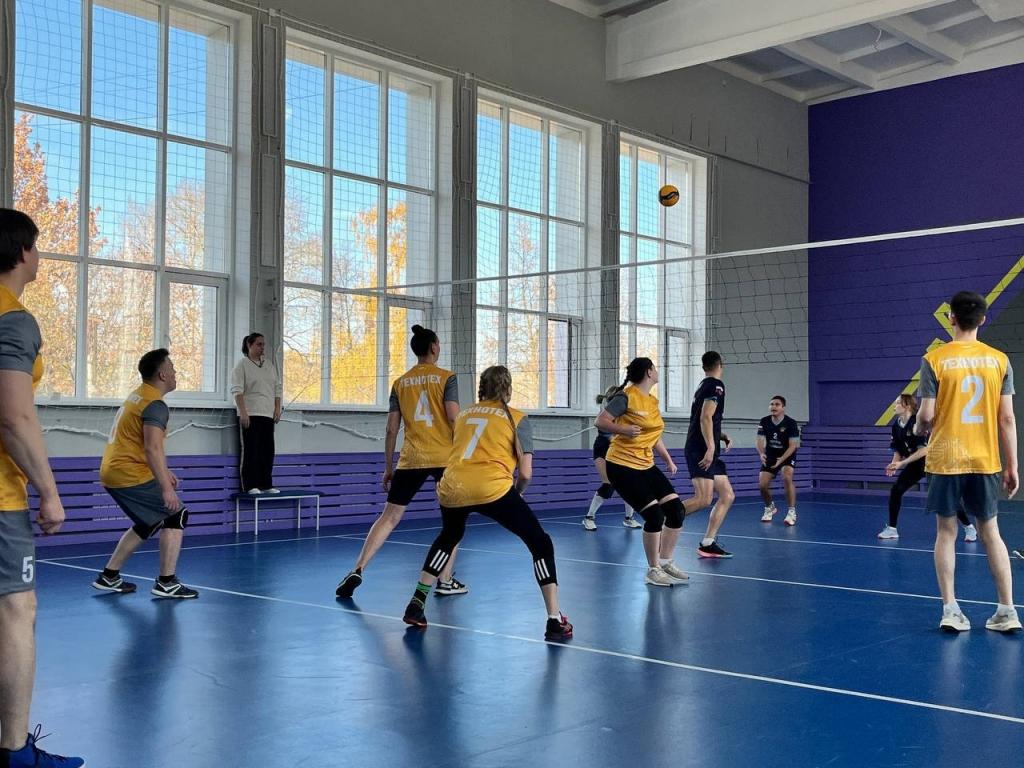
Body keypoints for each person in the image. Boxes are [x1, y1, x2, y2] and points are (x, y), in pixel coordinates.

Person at [0, 209, 84, 768]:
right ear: (24, 252)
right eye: (37, 246)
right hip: (1, 498)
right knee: (16, 609)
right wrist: (49, 492)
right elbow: (13, 417)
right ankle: (14, 753)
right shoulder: (14, 319)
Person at [401, 366, 572, 641]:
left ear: (481, 388)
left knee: (450, 535)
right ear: (508, 389)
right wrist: (517, 493)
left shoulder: (464, 414)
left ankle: (417, 602)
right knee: (539, 542)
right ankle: (554, 619)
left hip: (452, 486)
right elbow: (526, 473)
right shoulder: (516, 417)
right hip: (492, 488)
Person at [915, 291, 1020, 633]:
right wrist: (1012, 465)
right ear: (983, 319)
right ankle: (1007, 611)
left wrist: (918, 427)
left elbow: (926, 415)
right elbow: (1007, 418)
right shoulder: (999, 360)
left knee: (946, 532)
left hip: (946, 458)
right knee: (991, 532)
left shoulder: (934, 359)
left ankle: (951, 610)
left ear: (951, 318)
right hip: (984, 458)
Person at [336, 325, 465, 599]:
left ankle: (358, 568)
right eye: (439, 344)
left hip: (411, 458)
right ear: (433, 347)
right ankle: (444, 580)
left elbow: (391, 429)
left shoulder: (400, 383)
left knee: (389, 517)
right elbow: (454, 417)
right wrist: (465, 453)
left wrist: (388, 467)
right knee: (453, 522)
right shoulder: (447, 377)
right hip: (445, 458)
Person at [91, 349, 199, 599]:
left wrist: (164, 471)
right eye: (172, 368)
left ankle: (109, 576)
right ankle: (167, 582)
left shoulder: (139, 396)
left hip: (116, 470)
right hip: (127, 472)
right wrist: (166, 488)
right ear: (162, 374)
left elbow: (141, 444)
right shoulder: (155, 405)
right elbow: (152, 447)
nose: (175, 373)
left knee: (149, 521)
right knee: (176, 514)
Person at [597, 358, 688, 587]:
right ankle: (653, 569)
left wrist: (667, 459)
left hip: (646, 464)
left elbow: (653, 435)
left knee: (676, 511)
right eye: (655, 369)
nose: (657, 372)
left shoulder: (652, 401)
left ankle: (665, 561)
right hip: (621, 465)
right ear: (649, 372)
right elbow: (601, 421)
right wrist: (623, 429)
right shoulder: (626, 397)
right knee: (654, 516)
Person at [878, 394, 975, 541]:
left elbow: (924, 450)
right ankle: (892, 529)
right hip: (915, 464)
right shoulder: (896, 426)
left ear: (907, 406)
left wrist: (902, 463)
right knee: (896, 490)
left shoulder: (917, 423)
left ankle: (969, 527)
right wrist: (894, 464)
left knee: (947, 496)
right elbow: (898, 449)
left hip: (933, 462)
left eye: (897, 403)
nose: (894, 406)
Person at [682, 351, 736, 558]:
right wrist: (711, 448)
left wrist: (720, 435)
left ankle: (708, 542)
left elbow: (705, 420)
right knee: (703, 499)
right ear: (720, 364)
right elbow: (705, 417)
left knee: (727, 495)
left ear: (703, 366)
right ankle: (661, 518)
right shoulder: (716, 385)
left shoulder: (703, 385)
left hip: (705, 446)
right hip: (701, 449)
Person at [582, 385, 639, 531]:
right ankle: (589, 518)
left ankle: (629, 518)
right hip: (602, 449)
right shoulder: (606, 412)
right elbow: (606, 431)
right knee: (608, 484)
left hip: (619, 449)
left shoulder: (624, 413)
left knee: (628, 485)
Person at [231, 332, 282, 495]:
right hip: (250, 413)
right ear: (249, 345)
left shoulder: (269, 366)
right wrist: (243, 412)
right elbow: (237, 391)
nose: (262, 347)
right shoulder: (242, 365)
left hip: (267, 413)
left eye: (263, 344)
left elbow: (277, 388)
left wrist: (277, 408)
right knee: (251, 450)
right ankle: (249, 485)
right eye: (259, 344)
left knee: (267, 450)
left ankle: (266, 484)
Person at [757, 395, 800, 526]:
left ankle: (791, 512)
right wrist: (761, 453)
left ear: (783, 407)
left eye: (777, 404)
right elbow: (759, 440)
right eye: (771, 404)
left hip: (787, 454)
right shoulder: (764, 421)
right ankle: (769, 507)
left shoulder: (791, 423)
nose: (773, 407)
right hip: (771, 454)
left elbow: (793, 445)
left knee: (786, 477)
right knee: (762, 485)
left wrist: (781, 459)